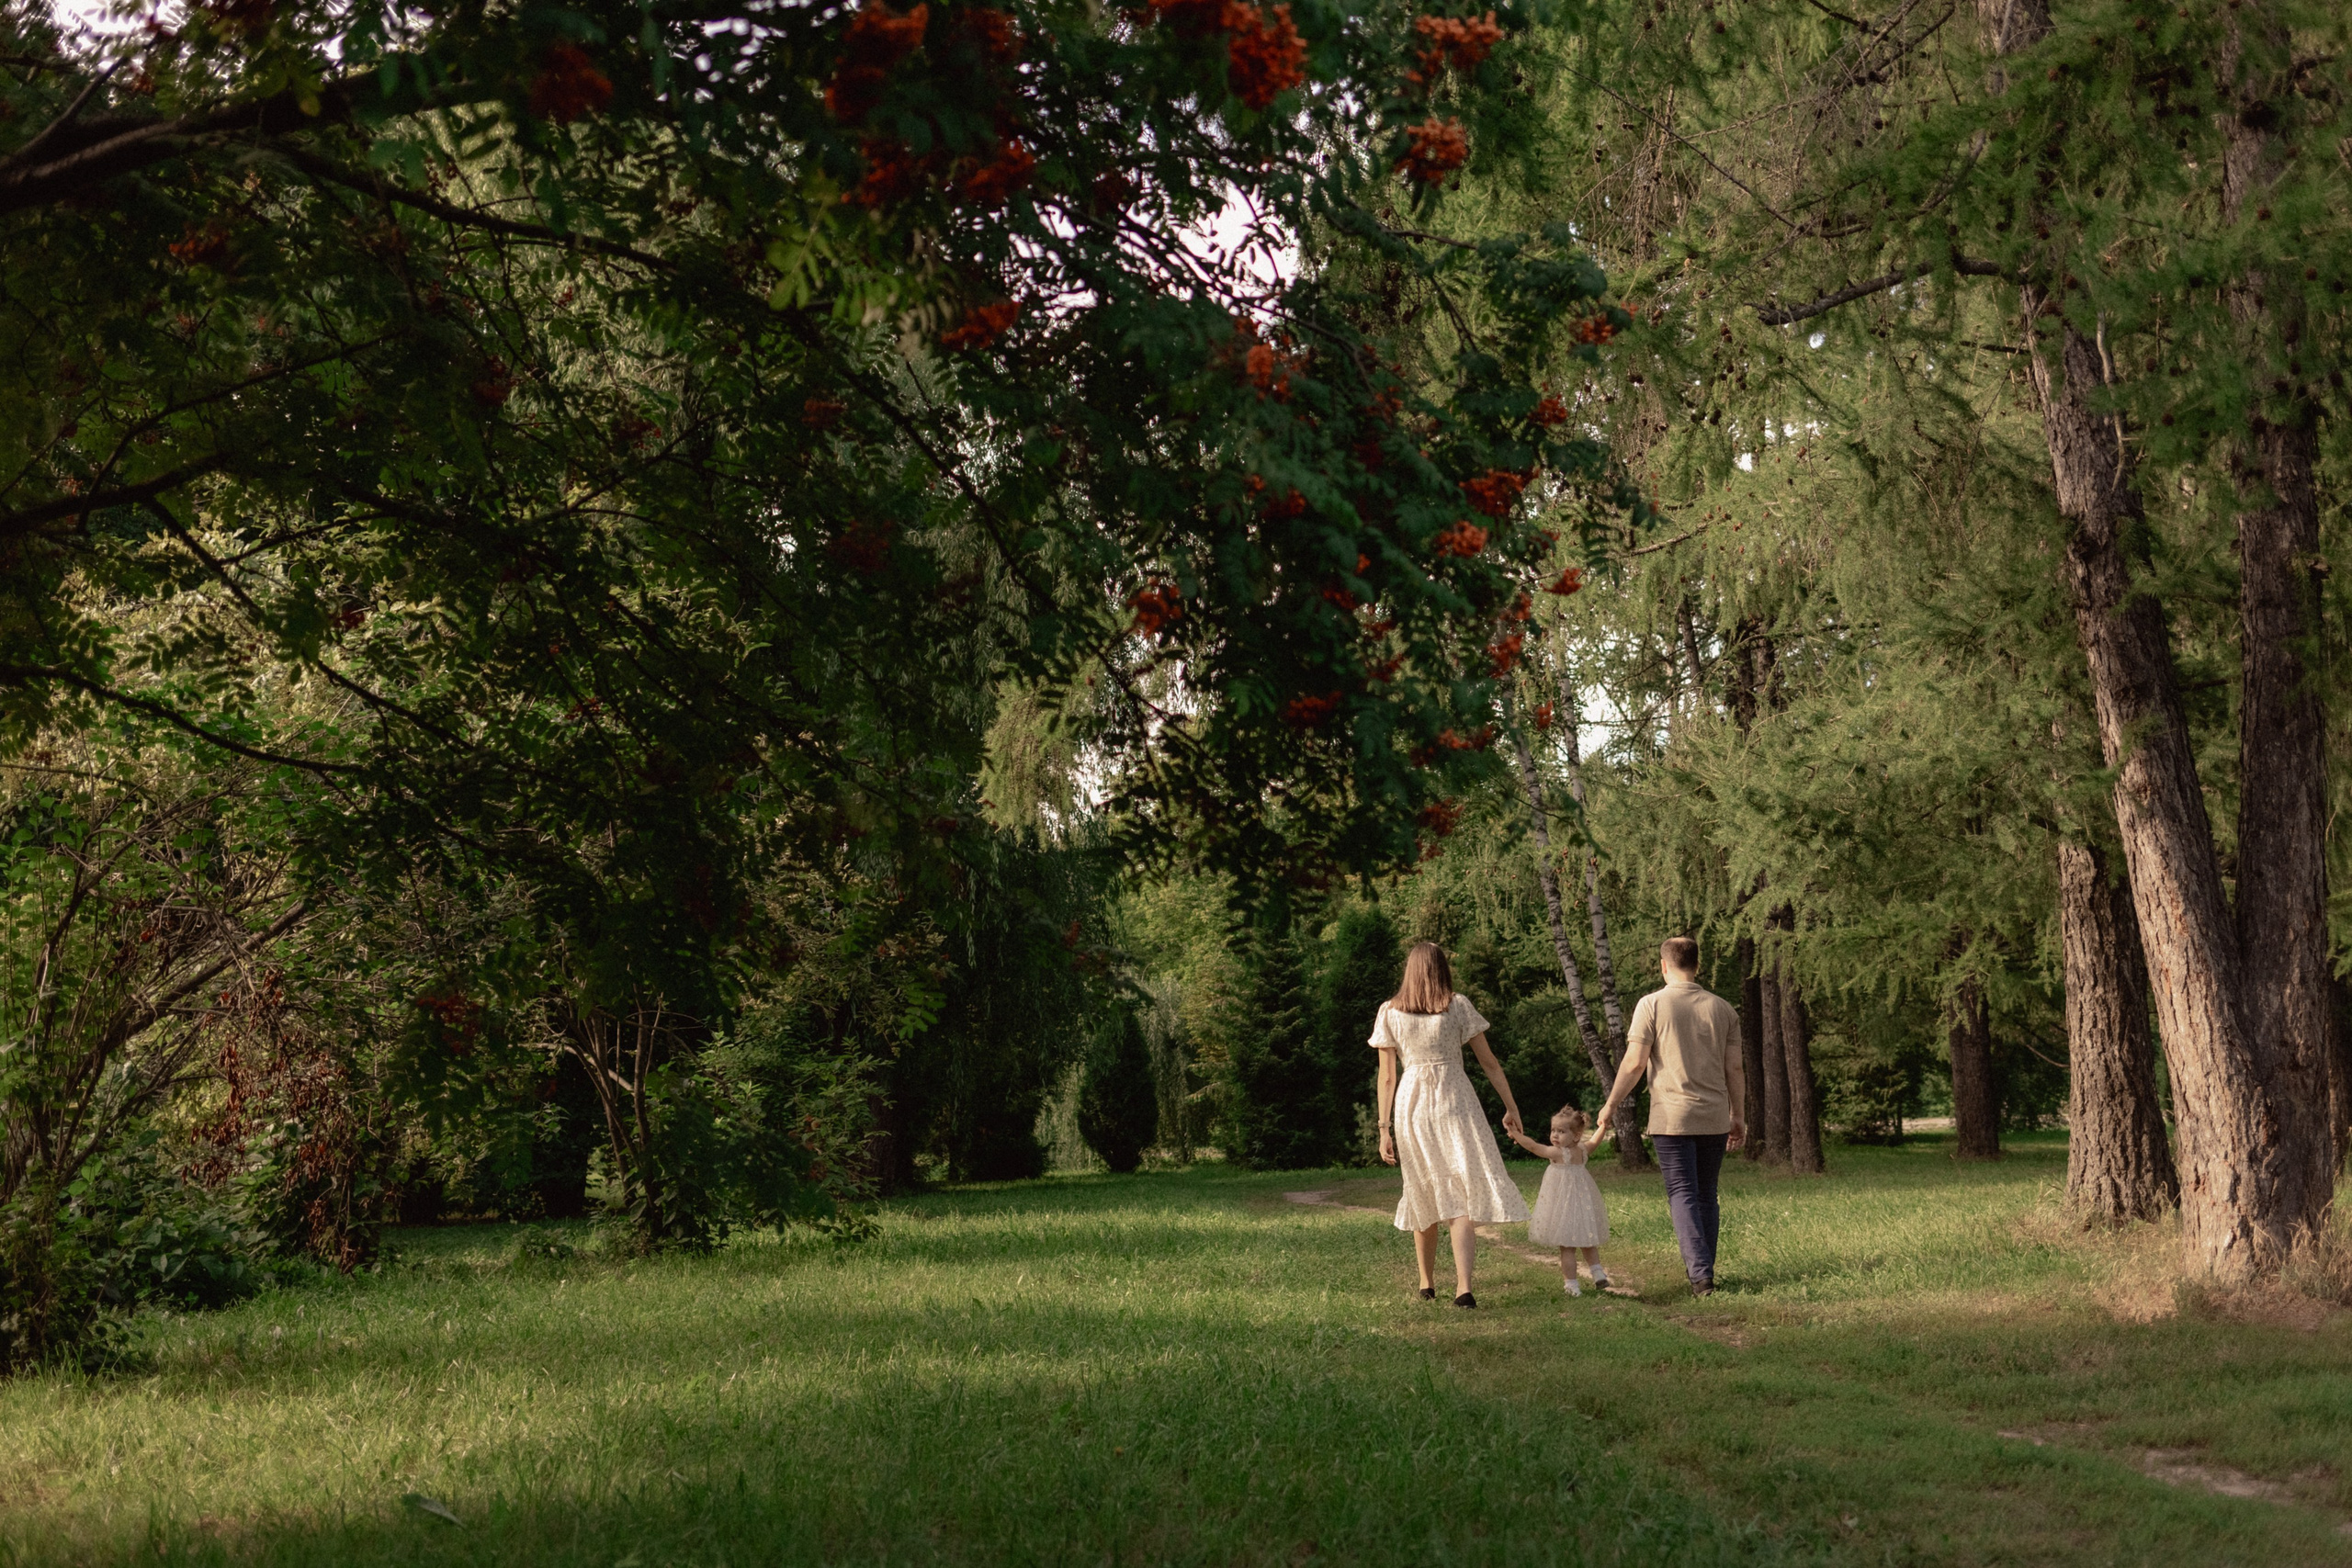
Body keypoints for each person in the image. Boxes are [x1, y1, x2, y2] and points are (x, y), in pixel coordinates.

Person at [1372, 941, 1530, 1307]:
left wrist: (1383, 1128)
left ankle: (1426, 1284)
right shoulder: (1457, 1006)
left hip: (1412, 1106)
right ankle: (1464, 1288)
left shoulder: (1389, 1012)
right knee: (1459, 1190)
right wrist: (1511, 1105)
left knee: (1420, 1187)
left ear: (1409, 971)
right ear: (1441, 968)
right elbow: (1489, 1062)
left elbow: (1386, 1077)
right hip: (1454, 1099)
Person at [1593, 935, 1746, 1295]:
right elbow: (1735, 1069)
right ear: (1697, 964)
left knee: (1682, 1193)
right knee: (1707, 1193)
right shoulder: (1723, 1009)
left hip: (1672, 1118)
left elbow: (1634, 1062)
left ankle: (1701, 1277)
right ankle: (1704, 1270)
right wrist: (1737, 1115)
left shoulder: (1652, 1005)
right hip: (1713, 1116)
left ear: (1664, 966)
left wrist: (1611, 1104)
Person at [1508, 1104, 1611, 1296]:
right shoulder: (1582, 1150)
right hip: (1581, 1204)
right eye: (1553, 1130)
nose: (1555, 1135)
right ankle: (1597, 1272)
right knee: (1587, 1238)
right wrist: (1603, 1126)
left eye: (1561, 1131)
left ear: (1576, 1135)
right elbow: (1595, 1141)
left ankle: (1571, 1285)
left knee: (1567, 1245)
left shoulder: (1557, 1153)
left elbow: (1532, 1146)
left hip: (1563, 1206)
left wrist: (1515, 1134)